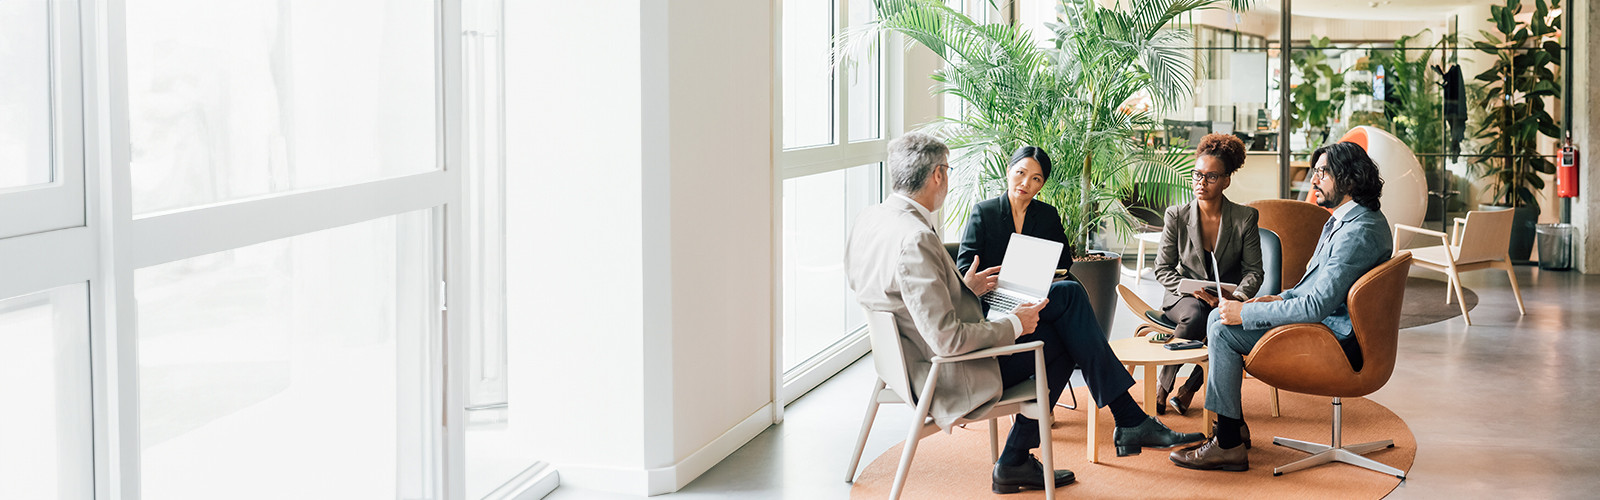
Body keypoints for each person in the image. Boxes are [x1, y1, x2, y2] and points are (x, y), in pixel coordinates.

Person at [845, 133, 1203, 494]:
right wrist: (1015, 322)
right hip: (949, 372)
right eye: (949, 172)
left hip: (906, 361)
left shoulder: (872, 220)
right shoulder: (917, 238)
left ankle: (1110, 426)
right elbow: (949, 340)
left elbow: (911, 300)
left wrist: (967, 290)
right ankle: (1089, 432)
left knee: (1066, 296)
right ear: (938, 175)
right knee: (1066, 328)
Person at [1170, 141, 1392, 472]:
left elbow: (1316, 306)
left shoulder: (1357, 232)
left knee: (1223, 329)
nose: (1313, 180)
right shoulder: (1351, 221)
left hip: (1332, 340)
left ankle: (1228, 441)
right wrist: (1274, 299)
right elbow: (1311, 290)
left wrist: (1246, 312)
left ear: (1349, 179)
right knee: (1220, 316)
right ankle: (1230, 429)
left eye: (1322, 172)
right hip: (1325, 325)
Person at [1151, 134, 1264, 416]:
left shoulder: (1244, 218)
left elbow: (1254, 271)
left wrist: (1235, 296)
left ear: (1226, 180)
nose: (1201, 182)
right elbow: (1162, 269)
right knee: (1198, 315)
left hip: (1223, 296)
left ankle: (1189, 388)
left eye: (1211, 177)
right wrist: (1189, 288)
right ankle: (1163, 387)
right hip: (1183, 296)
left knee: (1224, 324)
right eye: (1197, 175)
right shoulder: (1176, 215)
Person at [955, 145, 1075, 277]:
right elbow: (964, 268)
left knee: (1069, 288)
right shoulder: (984, 212)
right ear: (1008, 171)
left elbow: (1064, 263)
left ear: (1042, 185)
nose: (1025, 183)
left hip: (1037, 290)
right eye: (1021, 173)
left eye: (1036, 178)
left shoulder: (1047, 215)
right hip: (991, 290)